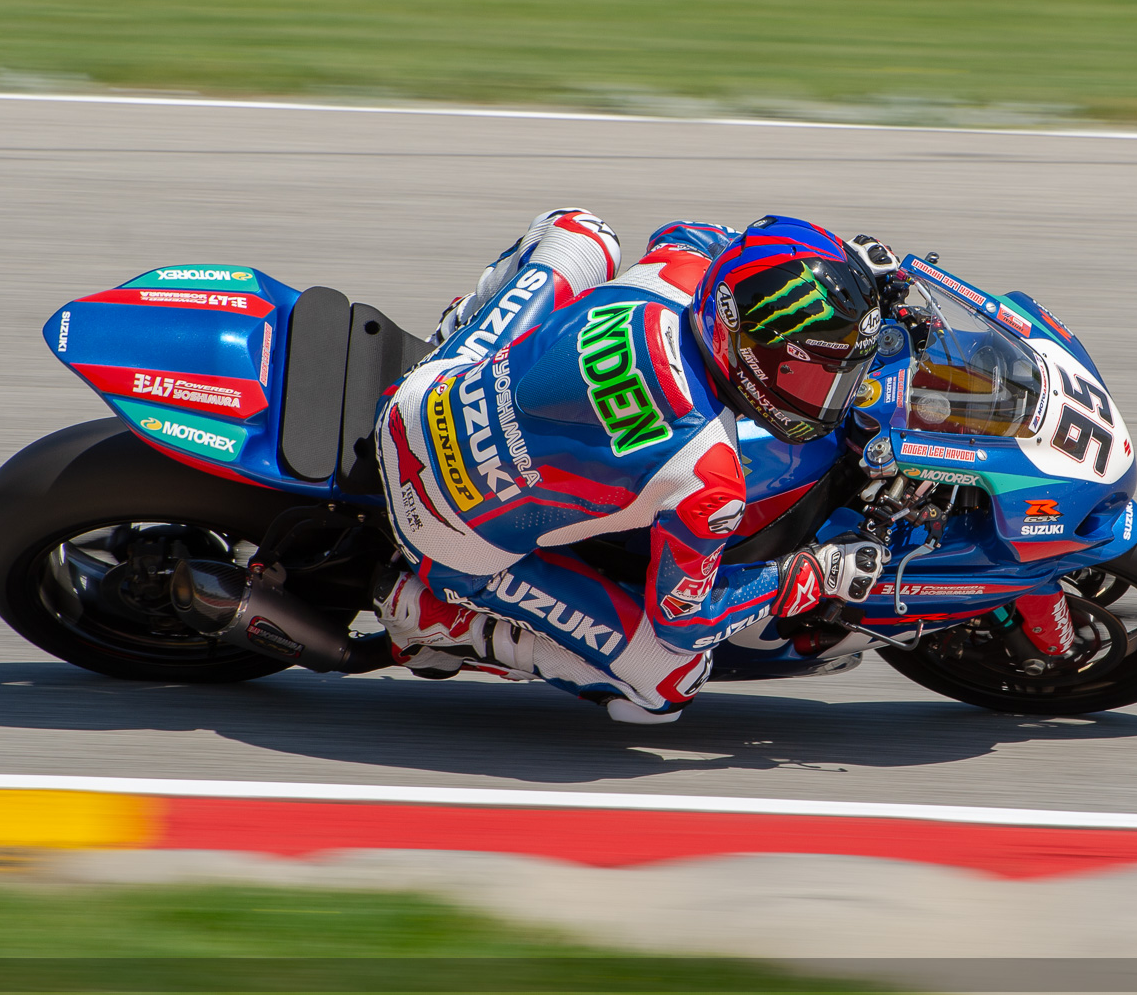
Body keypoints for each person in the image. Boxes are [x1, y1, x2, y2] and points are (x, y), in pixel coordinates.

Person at [372, 209, 1075, 723]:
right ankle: (438, 616)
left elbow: (695, 235)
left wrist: (856, 279)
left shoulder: (681, 277)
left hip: (430, 391)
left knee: (580, 232)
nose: (833, 395)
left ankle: (461, 320)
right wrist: (808, 575)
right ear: (749, 358)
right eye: (816, 378)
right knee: (666, 683)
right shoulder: (707, 474)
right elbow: (685, 619)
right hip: (444, 523)